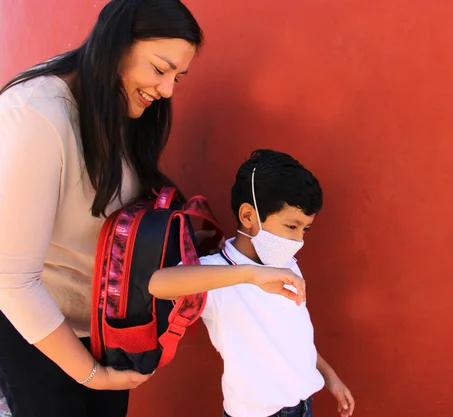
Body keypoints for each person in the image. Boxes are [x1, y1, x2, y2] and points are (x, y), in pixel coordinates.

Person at [0, 2, 305, 416]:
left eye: (177, 77)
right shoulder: (34, 115)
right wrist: (92, 375)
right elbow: (13, 282)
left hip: (107, 333)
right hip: (42, 340)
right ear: (115, 44)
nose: (167, 90)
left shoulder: (117, 103)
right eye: (160, 69)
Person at [149, 150, 356, 417]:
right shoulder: (216, 273)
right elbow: (158, 284)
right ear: (248, 216)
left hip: (303, 407)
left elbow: (294, 339)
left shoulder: (287, 263)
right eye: (291, 226)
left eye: (305, 229)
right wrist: (249, 275)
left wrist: (330, 377)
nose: (298, 240)